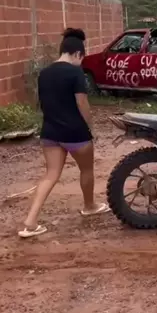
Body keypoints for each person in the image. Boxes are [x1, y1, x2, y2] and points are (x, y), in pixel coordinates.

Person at [18, 28, 108, 238]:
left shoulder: (44, 74)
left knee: (50, 175)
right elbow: (82, 102)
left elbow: (43, 103)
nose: (81, 62)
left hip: (50, 132)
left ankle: (30, 222)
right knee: (86, 170)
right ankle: (89, 206)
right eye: (81, 58)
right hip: (76, 133)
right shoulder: (75, 73)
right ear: (77, 54)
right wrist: (91, 127)